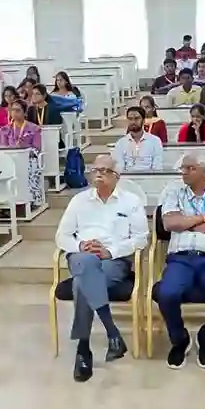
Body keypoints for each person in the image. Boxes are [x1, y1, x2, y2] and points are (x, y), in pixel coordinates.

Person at [52, 154, 144, 381]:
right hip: (82, 256)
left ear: (117, 176)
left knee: (82, 282)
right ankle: (112, 333)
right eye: (95, 170)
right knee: (87, 263)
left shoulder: (131, 201)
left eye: (105, 171)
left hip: (114, 261)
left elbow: (142, 238)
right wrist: (80, 245)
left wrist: (110, 252)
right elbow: (61, 235)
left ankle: (84, 350)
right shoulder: (79, 201)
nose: (99, 174)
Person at [155, 153, 205, 370]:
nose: (183, 172)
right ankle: (180, 340)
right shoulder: (173, 193)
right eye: (182, 168)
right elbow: (169, 223)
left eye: (189, 168)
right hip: (180, 259)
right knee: (166, 293)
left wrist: (186, 223)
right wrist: (203, 218)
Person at [113, 106, 164, 172]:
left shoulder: (155, 141)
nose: (133, 122)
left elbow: (157, 167)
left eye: (136, 118)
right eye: (130, 119)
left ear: (143, 120)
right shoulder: (120, 143)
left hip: (149, 179)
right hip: (127, 180)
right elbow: (119, 168)